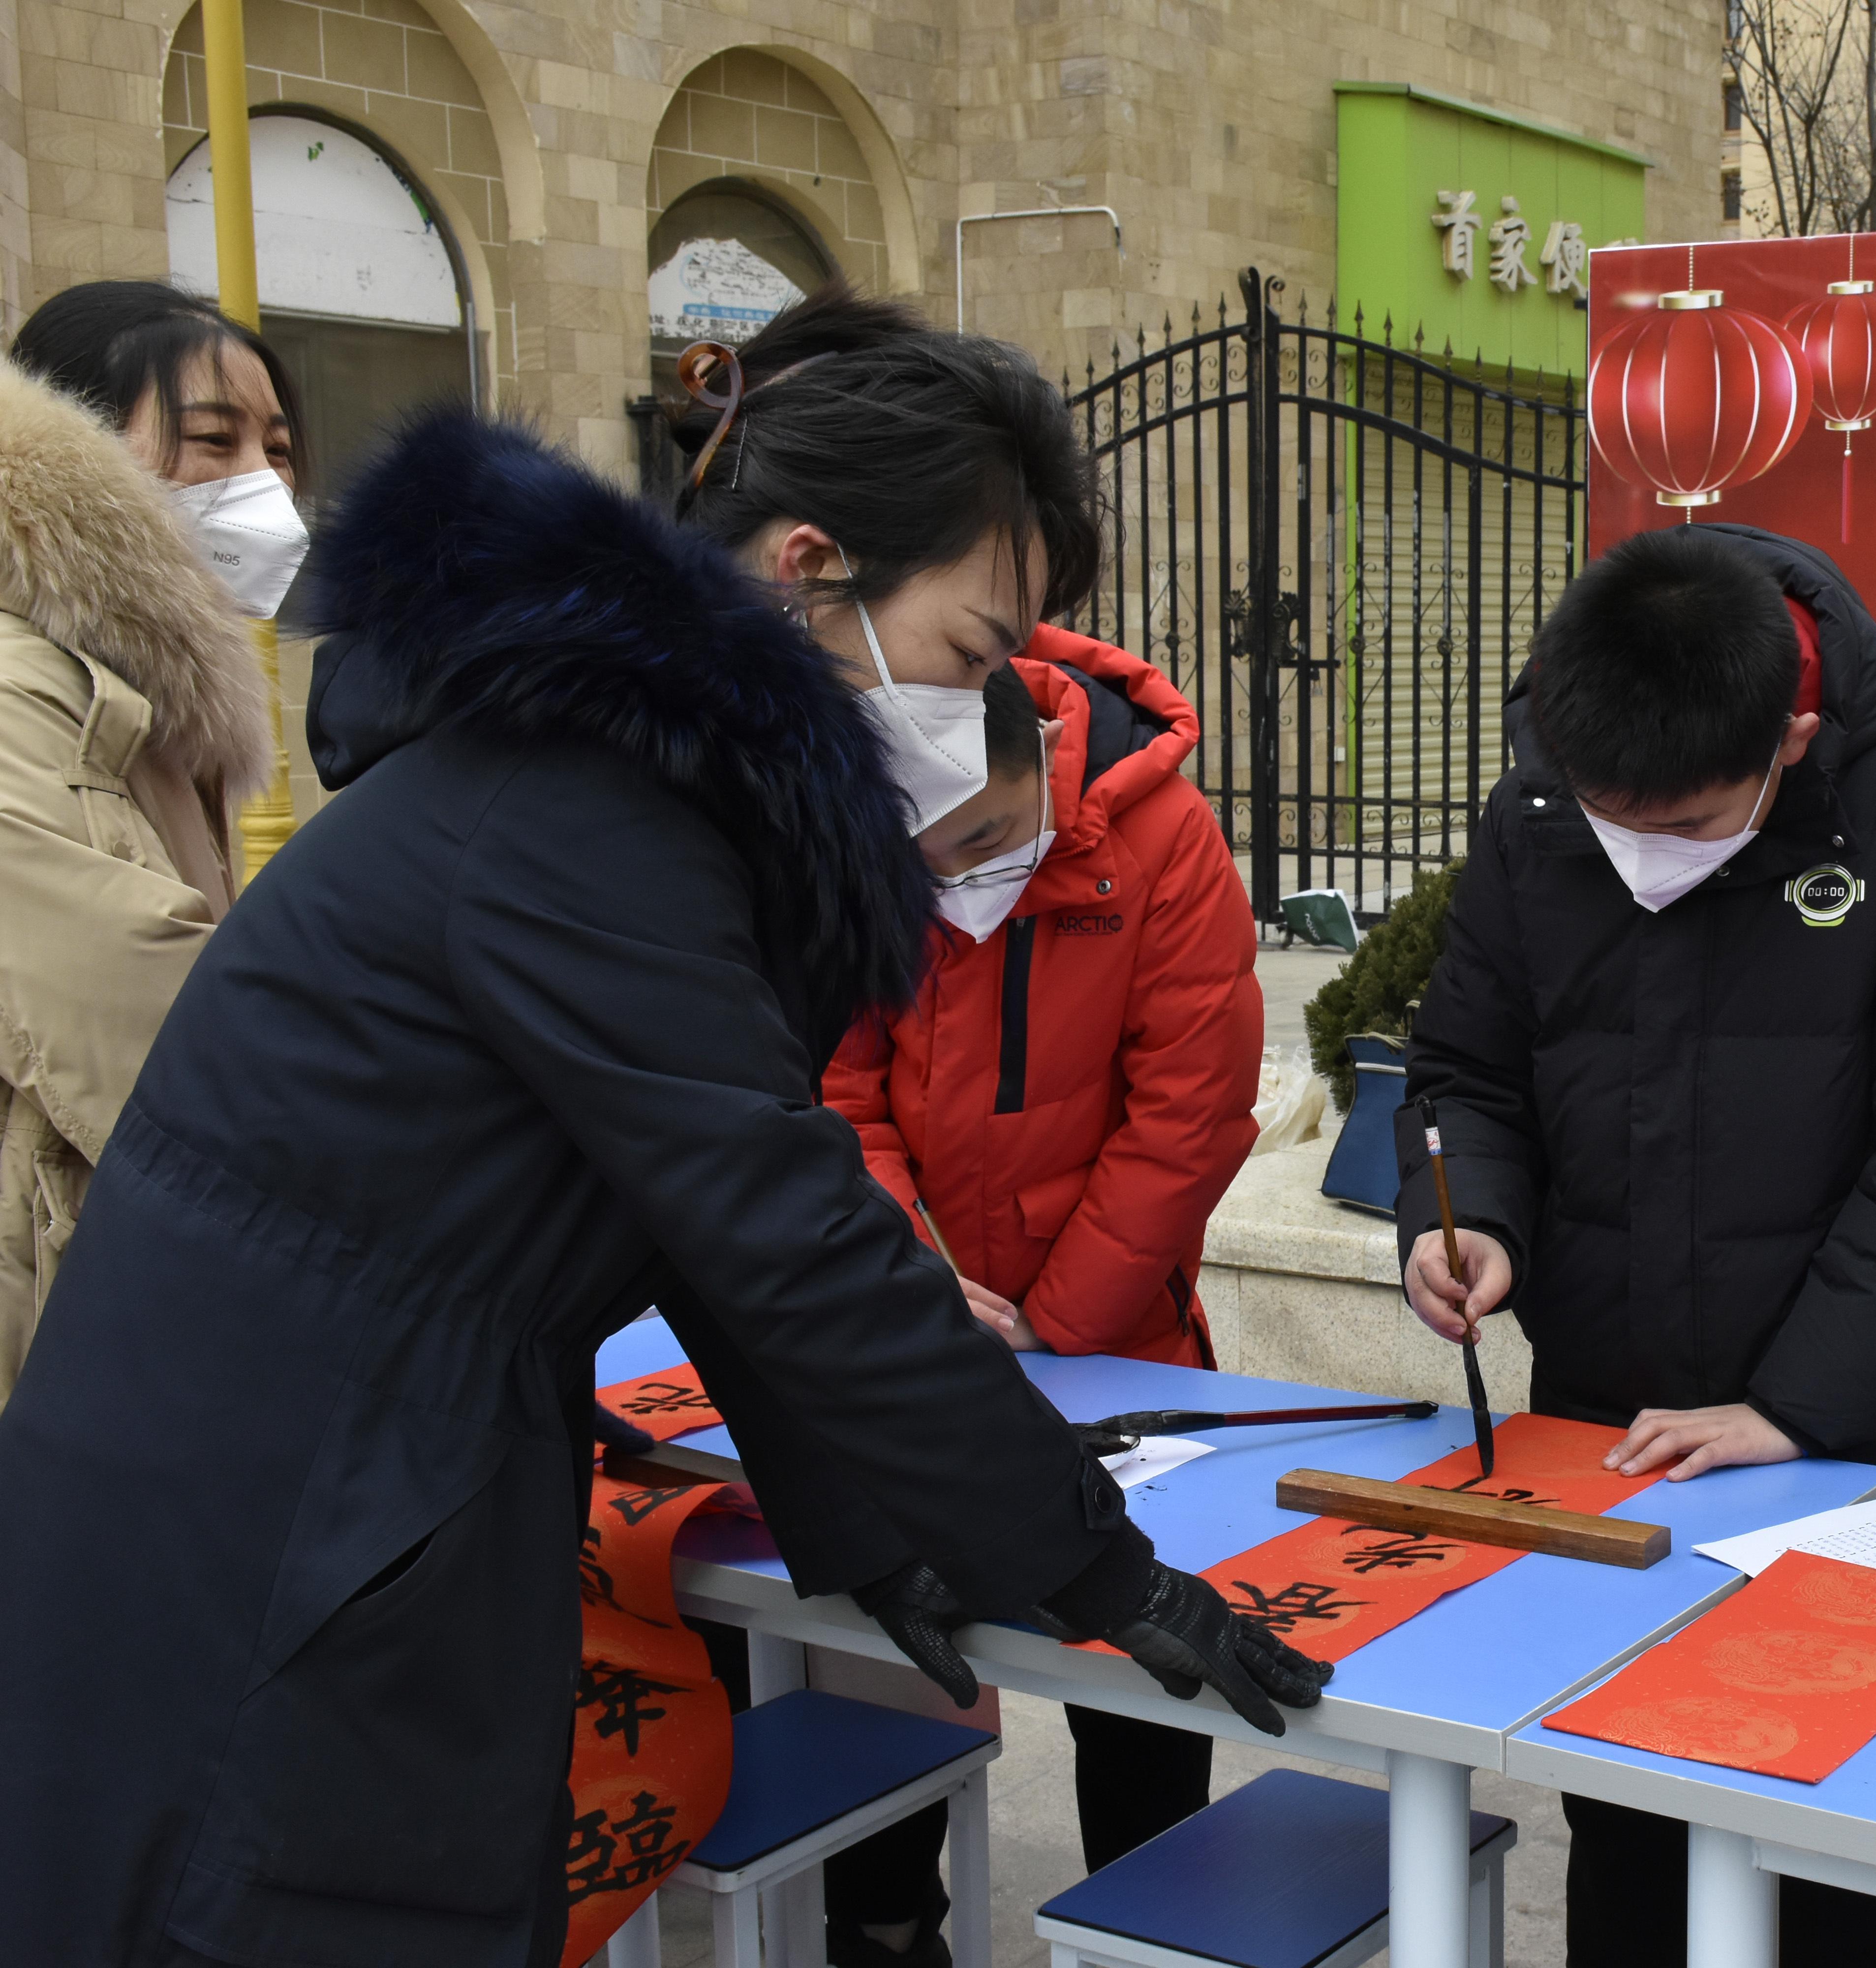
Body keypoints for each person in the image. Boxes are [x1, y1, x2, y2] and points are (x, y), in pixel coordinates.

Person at [0, 288, 1326, 1968]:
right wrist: (1098, 1568)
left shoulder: (642, 787)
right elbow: (790, 1227)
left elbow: (708, 1224)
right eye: (972, 653)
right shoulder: (583, 809)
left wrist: (870, 1530)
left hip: (355, 1476)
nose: (980, 703)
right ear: (808, 570)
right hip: (280, 1520)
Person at [1396, 522, 1876, 1967]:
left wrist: (1797, 1407)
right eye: (1610, 819)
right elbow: (1467, 1068)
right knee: (1628, 1816)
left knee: (1838, 1842)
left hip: (1863, 1441)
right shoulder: (1539, 808)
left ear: (1792, 740)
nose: (1644, 856)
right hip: (1616, 1429)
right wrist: (1473, 1218)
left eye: (1693, 823)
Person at [820, 634, 1261, 1929]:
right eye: (923, 858)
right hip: (913, 1335)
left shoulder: (1163, 834)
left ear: (1047, 763)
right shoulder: (854, 839)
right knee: (895, 1644)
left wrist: (1057, 1328)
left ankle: (1150, 1927)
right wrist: (914, 1281)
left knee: (1137, 1644)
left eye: (987, 837)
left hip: (1115, 1337)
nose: (958, 879)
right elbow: (836, 1095)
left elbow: (1190, 1112)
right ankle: (888, 1927)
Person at [0, 283, 302, 1399]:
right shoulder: (23, 692)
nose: (266, 485)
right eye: (214, 442)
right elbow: (159, 1031)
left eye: (279, 448)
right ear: (71, 453)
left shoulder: (145, 703)